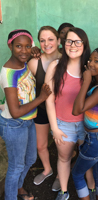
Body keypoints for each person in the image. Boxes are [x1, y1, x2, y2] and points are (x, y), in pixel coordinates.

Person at [0, 29, 51, 200]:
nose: (24, 50)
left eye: (27, 46)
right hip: (15, 125)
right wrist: (42, 98)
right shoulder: (9, 74)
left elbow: (32, 49)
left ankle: (19, 188)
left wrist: (34, 50)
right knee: (16, 166)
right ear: (10, 46)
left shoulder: (23, 62)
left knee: (30, 159)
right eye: (18, 46)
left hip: (28, 121)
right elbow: (15, 112)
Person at [72, 45, 98, 200]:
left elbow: (77, 110)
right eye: (90, 60)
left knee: (76, 174)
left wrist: (86, 82)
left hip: (96, 140)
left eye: (96, 61)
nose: (91, 63)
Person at [28, 26, 62, 190]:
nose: (46, 43)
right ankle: (48, 169)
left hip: (62, 112)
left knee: (61, 146)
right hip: (41, 109)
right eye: (42, 40)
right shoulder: (34, 62)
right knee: (40, 145)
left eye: (50, 39)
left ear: (58, 41)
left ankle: (60, 175)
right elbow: (24, 88)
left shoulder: (67, 59)